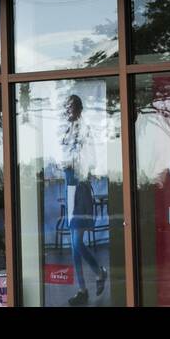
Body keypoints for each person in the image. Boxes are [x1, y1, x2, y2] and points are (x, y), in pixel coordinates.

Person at [61, 93, 107, 306]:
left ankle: (99, 272)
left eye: (72, 107)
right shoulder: (65, 132)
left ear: (79, 109)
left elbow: (93, 159)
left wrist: (74, 162)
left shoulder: (85, 130)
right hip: (70, 189)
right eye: (66, 107)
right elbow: (61, 160)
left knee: (78, 242)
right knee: (73, 246)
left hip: (80, 188)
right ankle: (81, 289)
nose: (68, 110)